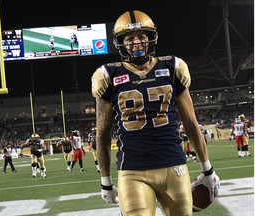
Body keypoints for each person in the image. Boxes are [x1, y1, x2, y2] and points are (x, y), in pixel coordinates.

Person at [91, 10, 220, 216]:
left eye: (142, 36)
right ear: (120, 43)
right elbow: (102, 133)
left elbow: (191, 123)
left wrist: (207, 168)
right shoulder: (108, 75)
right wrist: (105, 180)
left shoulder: (172, 67)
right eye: (130, 38)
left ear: (151, 38)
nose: (136, 42)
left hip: (174, 165)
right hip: (133, 170)